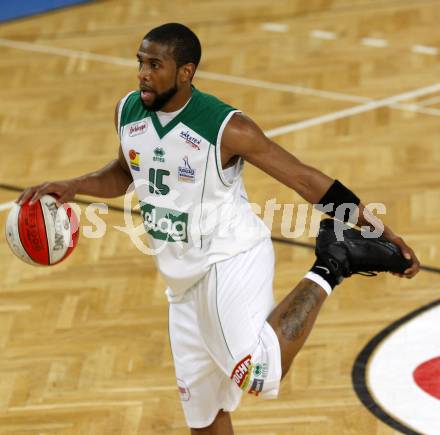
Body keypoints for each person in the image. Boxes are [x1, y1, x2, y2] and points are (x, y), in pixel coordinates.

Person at [17, 23, 420, 434]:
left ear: (185, 71)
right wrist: (74, 185)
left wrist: (378, 231)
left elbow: (304, 179)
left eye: (155, 64)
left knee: (257, 374)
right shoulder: (128, 111)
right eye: (140, 62)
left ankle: (334, 263)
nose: (142, 73)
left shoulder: (226, 127)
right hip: (181, 280)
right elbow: (126, 172)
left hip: (230, 259)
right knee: (205, 418)